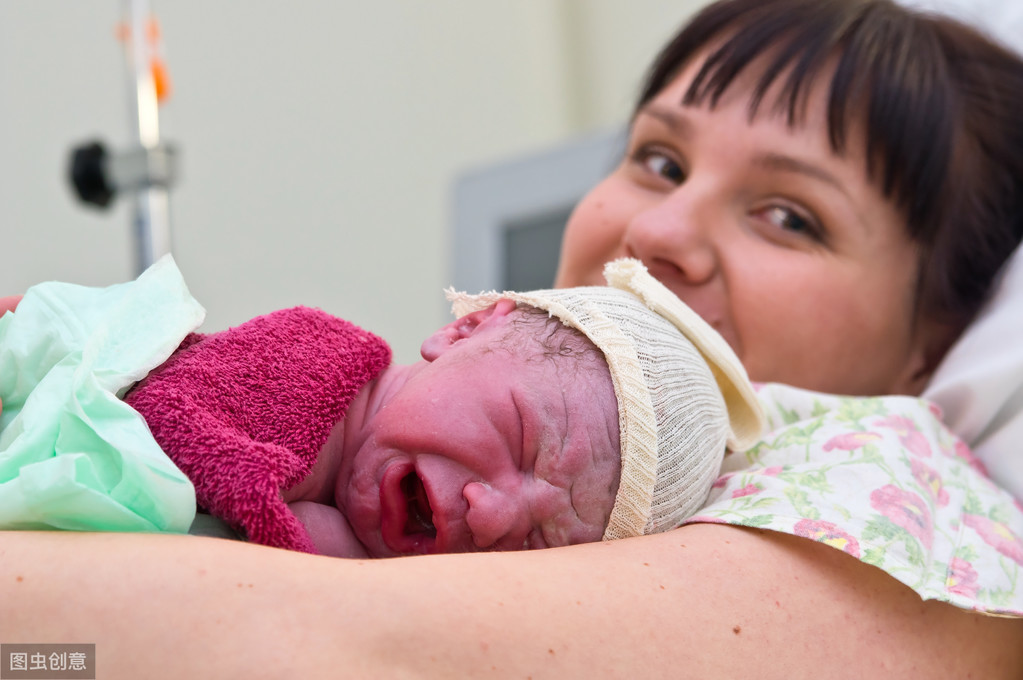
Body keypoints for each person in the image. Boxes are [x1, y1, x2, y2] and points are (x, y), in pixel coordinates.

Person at [3, 0, 1023, 676]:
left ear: (934, 340)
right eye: (659, 160)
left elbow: (307, 642)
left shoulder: (892, 497)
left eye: (791, 216)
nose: (658, 231)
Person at [0, 257, 763, 559]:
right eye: (522, 438)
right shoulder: (317, 357)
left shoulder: (384, 586)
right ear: (464, 329)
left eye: (534, 544)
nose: (494, 516)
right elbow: (170, 418)